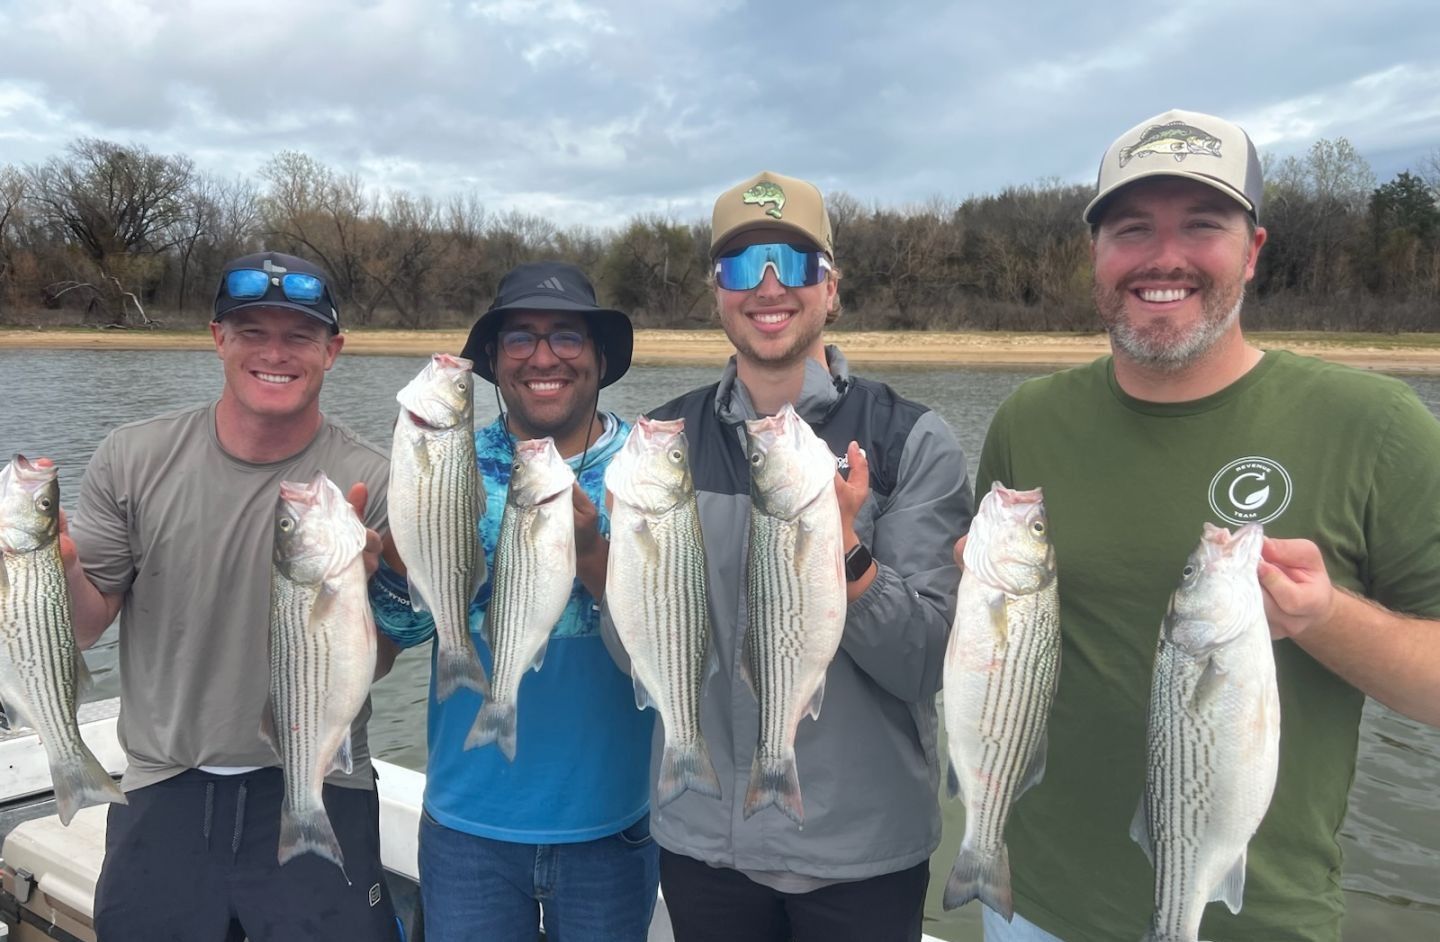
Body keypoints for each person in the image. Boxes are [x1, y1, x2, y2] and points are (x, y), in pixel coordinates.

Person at [973, 109, 1440, 942]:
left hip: (1262, 920)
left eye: (1202, 224)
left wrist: (1329, 619)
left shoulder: (1377, 427)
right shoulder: (1027, 422)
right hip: (1031, 905)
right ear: (1096, 254)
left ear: (1253, 250)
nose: (1164, 257)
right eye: (1131, 229)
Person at [621, 171, 973, 942]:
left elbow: (924, 665)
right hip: (702, 845)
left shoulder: (911, 441)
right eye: (744, 266)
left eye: (795, 262)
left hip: (862, 856)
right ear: (716, 292)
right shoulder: (662, 443)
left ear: (831, 288)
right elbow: (635, 651)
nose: (770, 286)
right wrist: (611, 553)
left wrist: (844, 549)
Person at [61, 250, 405, 940]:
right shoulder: (133, 458)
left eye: (299, 336)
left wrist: (381, 591)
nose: (274, 353)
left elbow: (386, 660)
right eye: (252, 332)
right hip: (165, 785)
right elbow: (85, 624)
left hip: (318, 777)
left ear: (332, 351)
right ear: (218, 338)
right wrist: (51, 571)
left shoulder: (375, 479)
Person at [373, 261, 658, 941]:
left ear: (598, 357)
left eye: (566, 337)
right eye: (520, 339)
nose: (543, 357)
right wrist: (391, 570)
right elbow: (402, 631)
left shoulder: (650, 473)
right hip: (468, 827)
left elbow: (668, 645)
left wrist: (596, 557)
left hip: (611, 830)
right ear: (495, 362)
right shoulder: (446, 464)